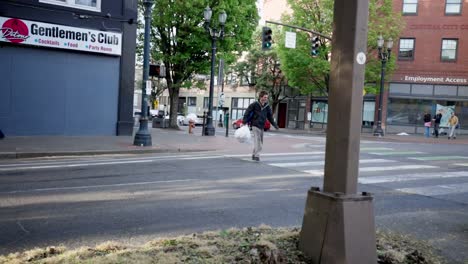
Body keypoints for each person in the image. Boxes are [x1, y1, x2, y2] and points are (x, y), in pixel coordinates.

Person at [242, 90, 279, 161]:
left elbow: (270, 117)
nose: (266, 99)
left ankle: (253, 154)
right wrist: (244, 121)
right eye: (265, 97)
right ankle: (256, 155)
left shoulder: (267, 106)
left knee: (260, 141)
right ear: (261, 97)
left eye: (267, 97)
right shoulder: (254, 104)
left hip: (262, 126)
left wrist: (274, 125)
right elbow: (247, 112)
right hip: (255, 125)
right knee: (258, 141)